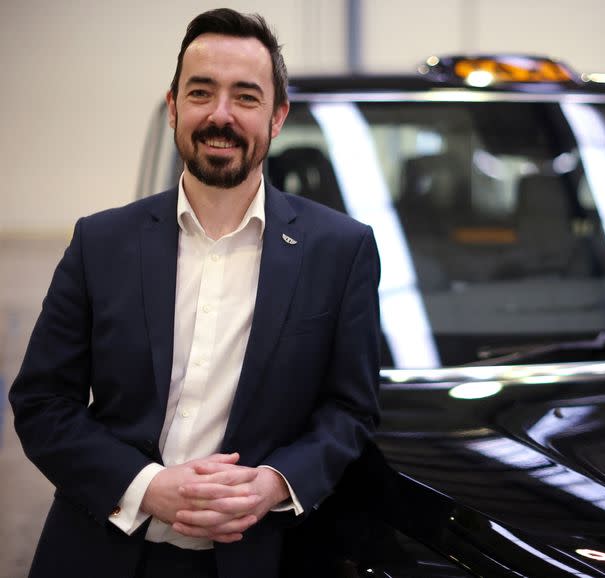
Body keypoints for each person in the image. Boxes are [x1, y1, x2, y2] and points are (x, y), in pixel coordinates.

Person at [9, 8, 381, 578]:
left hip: (258, 557)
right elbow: (41, 403)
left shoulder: (341, 250)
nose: (221, 115)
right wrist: (144, 488)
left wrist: (278, 483)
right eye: (202, 92)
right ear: (173, 107)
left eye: (247, 97)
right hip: (101, 548)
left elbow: (350, 411)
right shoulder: (100, 242)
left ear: (278, 116)